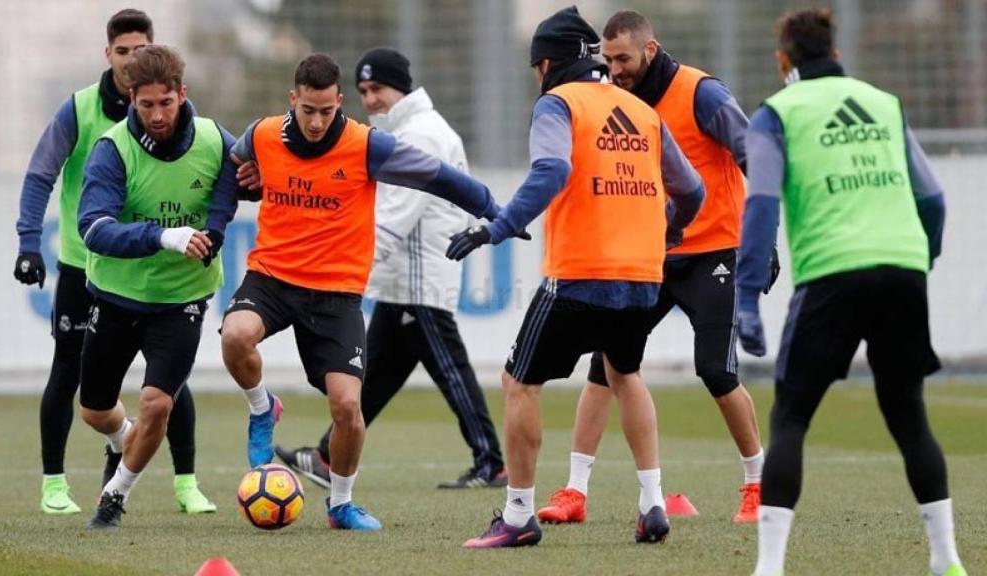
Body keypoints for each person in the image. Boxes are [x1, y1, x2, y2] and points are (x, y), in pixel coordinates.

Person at [453, 6, 704, 549]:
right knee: (625, 373)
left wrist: (497, 227)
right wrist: (668, 231)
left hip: (580, 273)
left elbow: (552, 170)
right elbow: (693, 191)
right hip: (642, 277)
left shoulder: (557, 104)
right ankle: (653, 504)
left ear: (546, 64)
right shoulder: (641, 110)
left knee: (520, 382)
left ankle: (518, 517)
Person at [221, 53, 502, 532]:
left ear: (339, 103)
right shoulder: (263, 134)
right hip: (273, 276)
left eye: (326, 111)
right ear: (294, 100)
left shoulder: (367, 146)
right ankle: (262, 409)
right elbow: (231, 164)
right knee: (234, 336)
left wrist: (495, 209)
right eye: (307, 110)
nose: (315, 121)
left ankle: (341, 505)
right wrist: (244, 188)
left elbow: (438, 176)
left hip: (335, 293)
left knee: (349, 407)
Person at [739, 9, 964, 576]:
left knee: (791, 417)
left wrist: (746, 296)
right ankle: (947, 560)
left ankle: (769, 568)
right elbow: (933, 199)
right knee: (909, 415)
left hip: (833, 272)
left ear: (783, 60)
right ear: (835, 53)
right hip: (902, 267)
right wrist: (922, 258)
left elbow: (761, 203)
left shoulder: (777, 113)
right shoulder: (884, 104)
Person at [536, 9, 776, 527]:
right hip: (650, 255)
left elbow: (753, 156)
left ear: (650, 50)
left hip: (713, 253)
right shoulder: (618, 100)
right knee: (606, 367)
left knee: (716, 370)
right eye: (609, 59)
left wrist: (763, 240)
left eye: (623, 58)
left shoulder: (701, 93)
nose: (615, 69)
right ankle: (575, 491)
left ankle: (758, 485)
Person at [13, 9, 215, 516]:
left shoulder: (177, 116)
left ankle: (186, 483)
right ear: (109, 55)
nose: (129, 60)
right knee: (70, 374)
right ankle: (55, 484)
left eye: (137, 50)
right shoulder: (80, 111)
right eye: (121, 52)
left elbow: (227, 172)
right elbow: (41, 174)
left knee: (168, 386)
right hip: (88, 264)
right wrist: (28, 241)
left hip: (164, 277)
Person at [77, 45, 239, 529]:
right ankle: (121, 438)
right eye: (146, 105)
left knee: (158, 403)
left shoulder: (212, 138)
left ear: (182, 94)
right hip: (117, 294)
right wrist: (164, 236)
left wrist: (219, 221)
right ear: (130, 100)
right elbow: (94, 228)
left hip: (182, 299)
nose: (157, 114)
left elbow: (240, 177)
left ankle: (114, 496)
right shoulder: (113, 150)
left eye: (165, 103)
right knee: (93, 410)